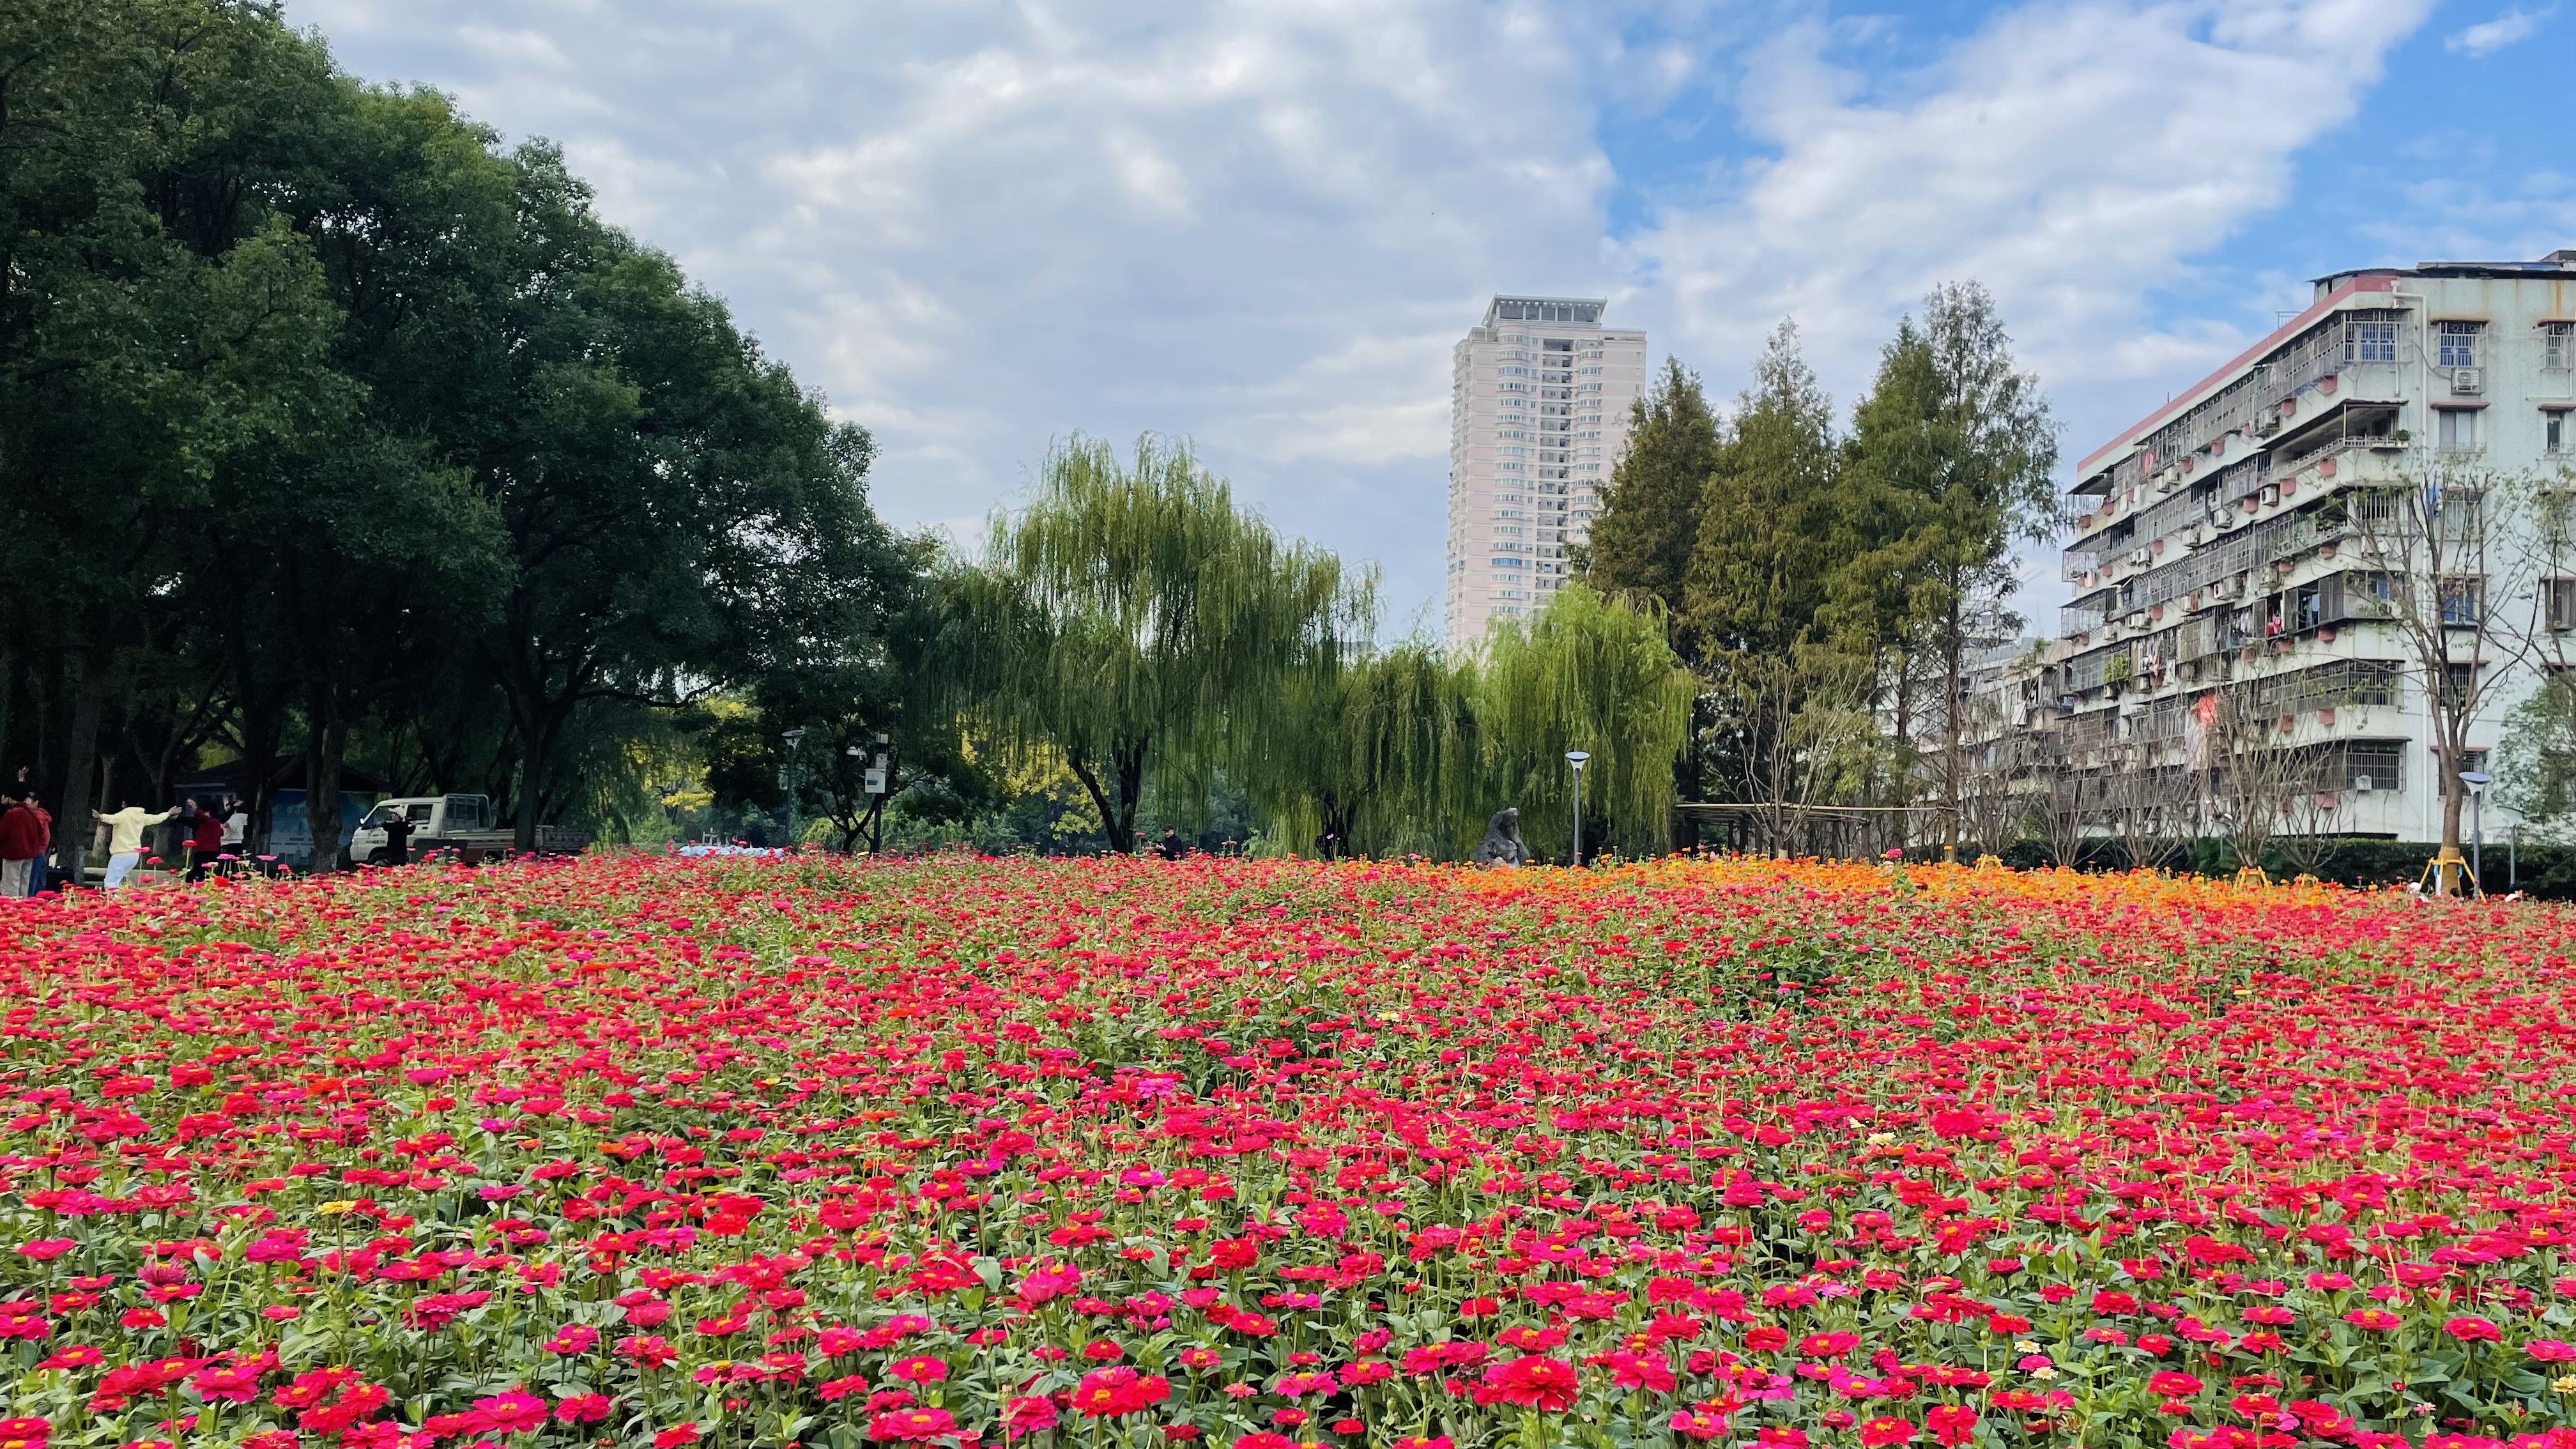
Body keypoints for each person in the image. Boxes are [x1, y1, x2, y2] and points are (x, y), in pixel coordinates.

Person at [94, 799, 176, 890]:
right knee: (120, 880)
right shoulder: (141, 817)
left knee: (111, 882)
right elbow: (157, 818)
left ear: (124, 804)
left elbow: (111, 818)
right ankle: (122, 899)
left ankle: (113, 901)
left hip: (121, 854)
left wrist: (100, 816)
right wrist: (168, 813)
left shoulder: (122, 816)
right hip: (134, 855)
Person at [0, 790, 40, 898]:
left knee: (11, 886)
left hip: (14, 854)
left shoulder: (12, 813)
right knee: (24, 886)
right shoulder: (32, 814)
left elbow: (3, 833)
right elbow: (40, 833)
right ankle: (23, 909)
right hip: (29, 855)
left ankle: (10, 911)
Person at [184, 797, 224, 882]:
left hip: (203, 852)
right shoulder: (217, 824)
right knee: (209, 873)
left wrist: (195, 807)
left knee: (198, 872)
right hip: (214, 852)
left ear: (208, 812)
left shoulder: (209, 822)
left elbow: (200, 815)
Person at [378, 804, 413, 868]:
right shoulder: (405, 826)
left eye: (393, 813)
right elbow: (410, 830)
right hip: (402, 854)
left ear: (397, 816)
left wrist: (383, 824)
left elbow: (386, 826)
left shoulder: (394, 826)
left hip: (393, 855)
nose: (391, 815)